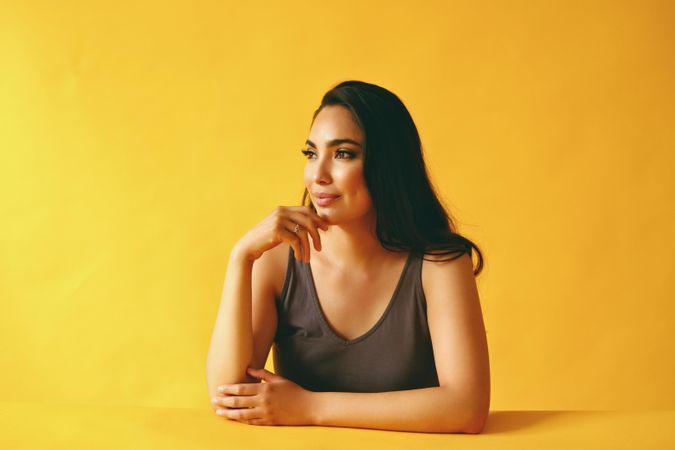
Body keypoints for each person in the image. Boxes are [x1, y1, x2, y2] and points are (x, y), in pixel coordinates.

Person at [205, 80, 490, 433]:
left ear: (387, 167)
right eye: (311, 154)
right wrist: (240, 259)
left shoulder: (439, 264)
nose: (318, 175)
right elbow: (227, 395)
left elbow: (467, 408)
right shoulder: (277, 261)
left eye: (343, 154)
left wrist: (311, 406)